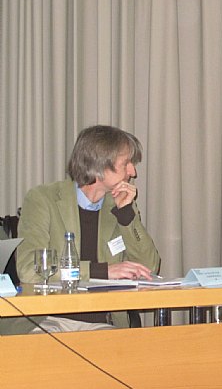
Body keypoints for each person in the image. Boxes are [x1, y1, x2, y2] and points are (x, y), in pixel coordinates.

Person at [4, 125, 161, 334]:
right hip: (48, 321)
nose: (133, 172)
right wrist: (104, 271)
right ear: (99, 166)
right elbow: (29, 268)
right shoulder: (43, 199)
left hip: (102, 323)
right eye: (126, 164)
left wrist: (126, 215)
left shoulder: (119, 204)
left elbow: (149, 268)